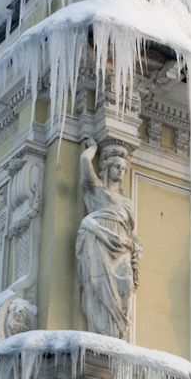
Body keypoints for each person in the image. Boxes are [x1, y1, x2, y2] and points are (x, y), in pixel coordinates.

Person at [76, 138, 141, 339]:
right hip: (100, 242)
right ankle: (103, 332)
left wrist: (137, 246)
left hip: (122, 246)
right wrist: (93, 149)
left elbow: (131, 229)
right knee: (99, 285)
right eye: (117, 167)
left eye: (123, 168)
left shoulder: (127, 202)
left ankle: (118, 333)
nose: (121, 171)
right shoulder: (98, 190)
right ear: (107, 168)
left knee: (126, 287)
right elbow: (86, 164)